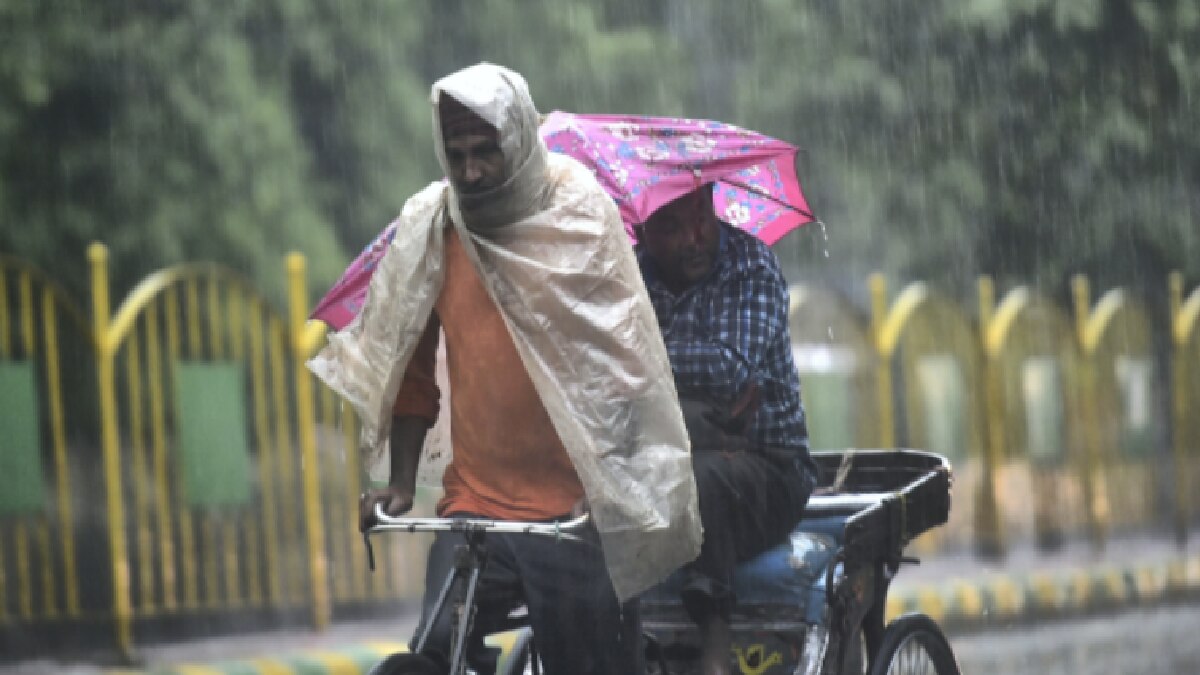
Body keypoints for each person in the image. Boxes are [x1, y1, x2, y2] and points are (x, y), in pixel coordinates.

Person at [308, 63, 701, 675]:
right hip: (476, 509)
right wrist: (403, 483)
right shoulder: (433, 226)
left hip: (574, 513)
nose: (469, 171)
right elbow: (412, 373)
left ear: (518, 140)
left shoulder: (577, 215)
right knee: (430, 653)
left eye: (485, 152)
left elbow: (626, 367)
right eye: (456, 154)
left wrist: (612, 486)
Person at [635, 183, 818, 675]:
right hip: (669, 453)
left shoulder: (751, 267)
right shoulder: (628, 275)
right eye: (672, 227)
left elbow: (726, 369)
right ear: (642, 231)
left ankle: (713, 637)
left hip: (770, 467)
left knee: (700, 478)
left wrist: (644, 368)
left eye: (701, 218)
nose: (694, 238)